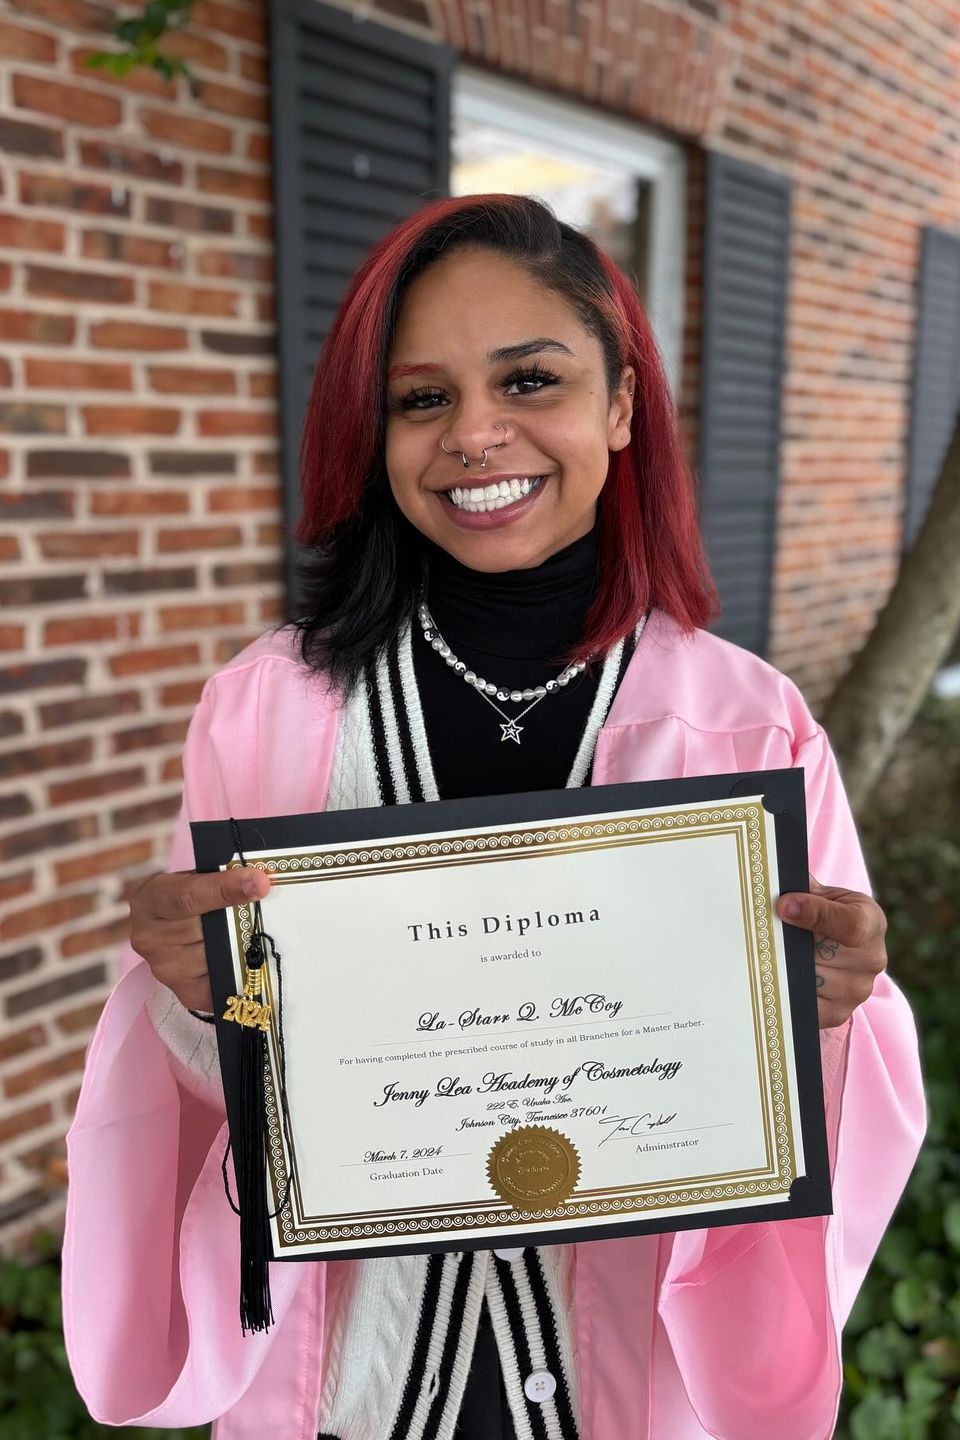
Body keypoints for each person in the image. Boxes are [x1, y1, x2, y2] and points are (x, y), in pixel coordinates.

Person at [62, 195, 925, 1440]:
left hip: (624, 1383)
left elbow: (823, 1091)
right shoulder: (269, 712)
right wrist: (198, 997)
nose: (475, 434)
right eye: (422, 398)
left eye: (529, 380)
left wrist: (834, 1010)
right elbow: (231, 1069)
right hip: (350, 1384)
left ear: (621, 405)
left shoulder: (746, 724)